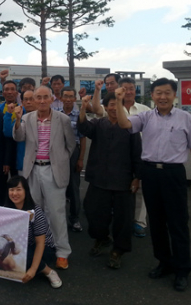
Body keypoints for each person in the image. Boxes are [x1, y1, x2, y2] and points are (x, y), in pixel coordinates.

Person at [115, 78, 191, 292]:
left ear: (174, 95)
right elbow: (124, 124)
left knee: (178, 223)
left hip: (173, 174)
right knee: (156, 222)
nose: (162, 97)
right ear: (153, 95)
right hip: (150, 173)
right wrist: (118, 101)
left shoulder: (186, 118)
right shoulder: (146, 116)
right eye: (158, 93)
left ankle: (182, 269)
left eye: (167, 93)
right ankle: (164, 262)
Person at [13, 86, 76, 270]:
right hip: (32, 170)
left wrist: (59, 160)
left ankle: (62, 252)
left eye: (45, 97)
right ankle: (37, 248)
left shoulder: (62, 119)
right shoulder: (27, 118)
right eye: (38, 97)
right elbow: (18, 137)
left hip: (53, 169)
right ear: (33, 100)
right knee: (34, 212)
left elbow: (71, 145)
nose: (41, 101)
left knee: (56, 212)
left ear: (52, 99)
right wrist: (17, 120)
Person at [78, 93, 142, 269]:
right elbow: (84, 128)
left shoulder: (130, 126)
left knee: (123, 219)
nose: (114, 108)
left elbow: (137, 153)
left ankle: (118, 250)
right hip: (99, 178)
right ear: (105, 107)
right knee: (92, 211)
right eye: (111, 104)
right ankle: (102, 238)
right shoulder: (99, 124)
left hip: (123, 181)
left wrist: (137, 178)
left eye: (118, 104)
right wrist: (83, 108)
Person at [4, 176, 62, 288]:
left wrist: (33, 269)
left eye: (18, 189)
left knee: (23, 256)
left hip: (44, 248)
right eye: (11, 190)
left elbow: (40, 243)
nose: (14, 193)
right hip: (23, 245)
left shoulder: (36, 212)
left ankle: (48, 271)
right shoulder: (6, 210)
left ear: (26, 191)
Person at [118, 77, 152, 238]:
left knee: (140, 189)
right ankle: (122, 219)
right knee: (121, 188)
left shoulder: (145, 110)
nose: (129, 92)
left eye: (131, 88)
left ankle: (139, 222)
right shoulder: (113, 107)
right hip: (119, 155)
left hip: (141, 154)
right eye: (125, 89)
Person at [59, 87, 87, 233]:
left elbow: (83, 139)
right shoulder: (55, 114)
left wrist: (81, 158)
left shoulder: (79, 116)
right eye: (66, 96)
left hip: (73, 152)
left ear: (75, 99)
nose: (68, 99)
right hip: (57, 151)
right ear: (61, 98)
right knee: (56, 185)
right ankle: (58, 219)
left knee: (74, 186)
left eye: (71, 96)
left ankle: (74, 218)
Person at [3, 90, 37, 172]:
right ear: (22, 102)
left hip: (40, 161)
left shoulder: (43, 117)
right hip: (23, 162)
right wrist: (9, 114)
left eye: (31, 99)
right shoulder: (20, 117)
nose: (28, 102)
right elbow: (8, 133)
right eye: (26, 99)